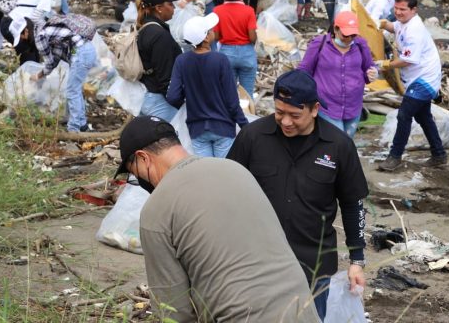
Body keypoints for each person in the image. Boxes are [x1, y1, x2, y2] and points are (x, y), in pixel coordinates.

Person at [115, 117, 320, 323]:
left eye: (136, 175)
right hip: (304, 311)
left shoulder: (156, 209)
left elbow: (174, 312)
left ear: (143, 158)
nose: (142, 181)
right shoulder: (236, 170)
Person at [227, 70, 368, 320]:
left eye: (295, 115)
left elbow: (352, 203)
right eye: (279, 112)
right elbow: (228, 190)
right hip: (259, 262)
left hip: (314, 264)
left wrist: (357, 259)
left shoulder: (338, 146)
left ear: (314, 109)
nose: (285, 122)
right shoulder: (253, 137)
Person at [377, 0, 446, 172]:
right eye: (396, 8)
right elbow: (395, 27)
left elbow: (408, 60)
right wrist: (383, 24)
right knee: (424, 117)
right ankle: (439, 154)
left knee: (404, 115)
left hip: (425, 79)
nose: (399, 12)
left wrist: (386, 64)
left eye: (403, 10)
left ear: (414, 10)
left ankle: (395, 156)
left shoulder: (415, 30)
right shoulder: (403, 22)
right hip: (417, 78)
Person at [166, 13, 249, 158]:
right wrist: (245, 126)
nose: (213, 31)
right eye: (210, 30)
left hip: (197, 129)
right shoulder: (220, 60)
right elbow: (232, 100)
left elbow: (172, 96)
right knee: (224, 172)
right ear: (205, 38)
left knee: (207, 174)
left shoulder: (181, 61)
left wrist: (189, 100)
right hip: (222, 127)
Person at [10, 12, 98, 132]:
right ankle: (82, 125)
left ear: (25, 30)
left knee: (72, 91)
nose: (22, 40)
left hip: (80, 54)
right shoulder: (44, 29)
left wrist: (38, 76)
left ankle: (74, 128)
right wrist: (41, 75)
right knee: (75, 90)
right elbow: (55, 59)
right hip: (87, 51)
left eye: (21, 36)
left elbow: (50, 63)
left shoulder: (39, 37)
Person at [298, 11, 376, 138]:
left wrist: (373, 73)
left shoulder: (361, 45)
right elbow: (304, 70)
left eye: (353, 35)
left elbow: (369, 67)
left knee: (346, 144)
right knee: (337, 141)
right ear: (335, 29)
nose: (350, 39)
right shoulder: (320, 44)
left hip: (353, 106)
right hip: (327, 106)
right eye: (346, 35)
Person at [137, 0, 183, 121]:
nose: (174, 8)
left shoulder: (145, 27)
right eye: (170, 4)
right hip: (158, 101)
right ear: (159, 8)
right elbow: (165, 80)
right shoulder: (159, 35)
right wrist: (182, 104)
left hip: (145, 94)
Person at [213, 0, 258, 97]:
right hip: (247, 53)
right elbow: (252, 37)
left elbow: (216, 36)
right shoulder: (249, 10)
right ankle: (248, 115)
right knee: (247, 94)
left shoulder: (217, 10)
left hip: (226, 53)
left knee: (228, 94)